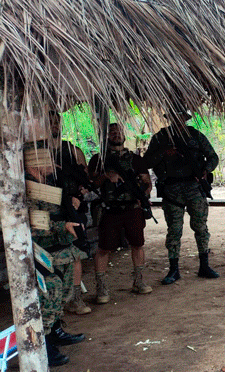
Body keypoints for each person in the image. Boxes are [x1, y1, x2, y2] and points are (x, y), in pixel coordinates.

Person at [24, 141, 86, 367]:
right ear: (35, 163)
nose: (54, 163)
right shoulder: (28, 189)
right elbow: (32, 225)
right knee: (48, 296)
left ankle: (55, 332)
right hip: (42, 252)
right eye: (48, 159)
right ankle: (44, 344)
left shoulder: (47, 183)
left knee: (60, 294)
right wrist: (63, 226)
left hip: (59, 250)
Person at [144, 109, 219, 284]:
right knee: (174, 230)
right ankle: (173, 270)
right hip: (171, 189)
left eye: (181, 117)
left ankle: (204, 265)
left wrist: (205, 171)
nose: (178, 120)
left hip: (194, 187)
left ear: (185, 118)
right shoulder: (160, 138)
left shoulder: (196, 136)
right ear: (169, 118)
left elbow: (213, 157)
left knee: (200, 227)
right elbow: (146, 162)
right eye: (174, 117)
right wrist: (164, 153)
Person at [88, 123, 153, 303]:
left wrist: (143, 194)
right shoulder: (98, 159)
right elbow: (91, 183)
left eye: (119, 132)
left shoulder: (136, 159)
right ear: (106, 136)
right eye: (112, 132)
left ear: (125, 135)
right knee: (104, 248)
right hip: (110, 209)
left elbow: (147, 183)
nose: (116, 135)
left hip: (132, 208)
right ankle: (101, 288)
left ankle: (139, 281)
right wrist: (106, 176)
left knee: (138, 244)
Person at [49, 110, 94, 316]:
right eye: (49, 122)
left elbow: (86, 181)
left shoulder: (73, 151)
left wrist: (78, 197)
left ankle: (74, 299)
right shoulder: (36, 152)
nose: (54, 125)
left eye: (56, 122)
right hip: (49, 211)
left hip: (72, 209)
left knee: (76, 253)